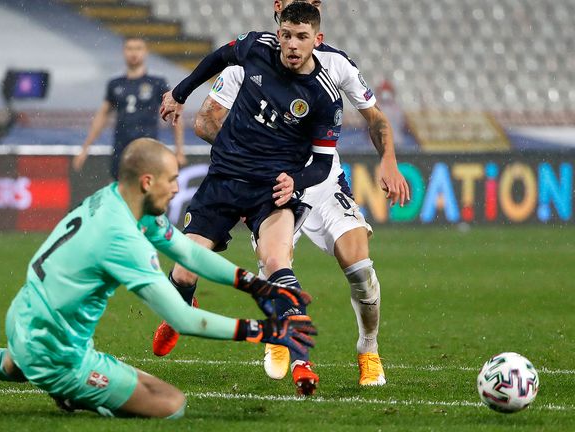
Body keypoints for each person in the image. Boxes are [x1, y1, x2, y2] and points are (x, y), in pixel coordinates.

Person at [0, 138, 316, 419]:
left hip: (24, 318)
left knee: (9, 363)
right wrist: (268, 331)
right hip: (61, 354)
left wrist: (255, 285)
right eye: (172, 180)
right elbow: (182, 319)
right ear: (147, 181)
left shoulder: (115, 201)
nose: (178, 189)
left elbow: (184, 251)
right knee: (170, 405)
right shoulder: (123, 239)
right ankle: (76, 396)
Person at [190, 0, 411, 387]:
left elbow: (375, 119)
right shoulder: (251, 57)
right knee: (275, 263)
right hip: (273, 182)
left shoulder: (336, 63)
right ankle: (280, 336)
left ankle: (369, 349)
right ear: (278, 9)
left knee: (359, 267)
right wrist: (248, 159)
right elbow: (207, 120)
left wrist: (389, 160)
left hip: (321, 181)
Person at [154, 3, 339, 395]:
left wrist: (298, 182)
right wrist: (181, 92)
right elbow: (218, 57)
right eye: (287, 34)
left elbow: (322, 164)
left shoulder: (323, 97)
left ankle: (301, 362)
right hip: (223, 181)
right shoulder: (256, 46)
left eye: (301, 37)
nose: (291, 44)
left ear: (316, 41)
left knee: (277, 262)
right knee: (184, 270)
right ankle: (180, 310)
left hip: (271, 191)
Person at [73, 37, 186, 179]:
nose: (134, 53)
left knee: (147, 188)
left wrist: (179, 150)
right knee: (119, 190)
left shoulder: (157, 83)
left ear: (145, 52)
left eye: (138, 48)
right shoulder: (115, 84)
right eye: (130, 49)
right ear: (124, 52)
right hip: (121, 149)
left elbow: (174, 115)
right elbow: (102, 116)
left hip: (148, 148)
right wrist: (85, 148)